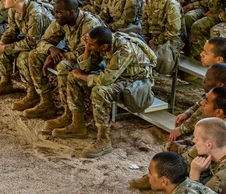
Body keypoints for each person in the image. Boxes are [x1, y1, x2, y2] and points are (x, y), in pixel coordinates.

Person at [53, 26, 156, 157]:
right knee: (73, 78)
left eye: (91, 45)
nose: (89, 45)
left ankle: (104, 141)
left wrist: (83, 76)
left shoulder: (124, 50)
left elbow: (105, 80)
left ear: (104, 47)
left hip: (134, 82)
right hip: (118, 76)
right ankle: (77, 124)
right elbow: (86, 67)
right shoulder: (101, 44)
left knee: (99, 91)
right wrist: (87, 48)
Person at [24, 0, 103, 120]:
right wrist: (51, 49)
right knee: (34, 55)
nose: (55, 16)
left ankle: (71, 114)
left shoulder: (89, 24)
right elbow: (42, 42)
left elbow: (84, 55)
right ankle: (46, 103)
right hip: (73, 56)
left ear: (71, 13)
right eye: (55, 12)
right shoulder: (63, 20)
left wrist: (58, 56)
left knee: (63, 65)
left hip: (92, 62)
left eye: (59, 13)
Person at [0, 0, 53, 102]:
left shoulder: (35, 14)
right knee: (2, 49)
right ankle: (6, 82)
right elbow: (12, 29)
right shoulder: (14, 9)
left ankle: (35, 95)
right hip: (35, 42)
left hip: (50, 46)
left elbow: (32, 43)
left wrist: (5, 47)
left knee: (23, 57)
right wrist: (1, 43)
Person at [142, 0, 183, 76]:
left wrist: (155, 42)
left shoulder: (171, 5)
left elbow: (173, 31)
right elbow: (145, 24)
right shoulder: (148, 1)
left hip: (169, 42)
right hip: (152, 39)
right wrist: (145, 40)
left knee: (155, 58)